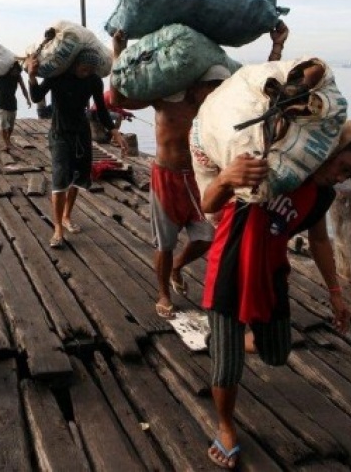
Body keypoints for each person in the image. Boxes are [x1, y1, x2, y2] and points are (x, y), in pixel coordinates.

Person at [201, 120, 351, 469]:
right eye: (344, 167)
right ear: (330, 147)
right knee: (227, 370)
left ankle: (227, 342)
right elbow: (209, 203)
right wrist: (226, 177)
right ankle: (225, 426)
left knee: (277, 353)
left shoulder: (323, 195)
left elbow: (319, 240)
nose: (342, 177)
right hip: (231, 267)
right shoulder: (273, 165)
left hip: (272, 274)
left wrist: (336, 294)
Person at [110, 22, 290, 320]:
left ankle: (179, 267)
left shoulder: (219, 109)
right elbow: (117, 99)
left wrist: (278, 46)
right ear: (197, 85)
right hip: (165, 176)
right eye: (211, 87)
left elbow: (264, 87)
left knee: (206, 237)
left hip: (200, 178)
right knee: (164, 244)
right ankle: (163, 293)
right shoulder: (165, 98)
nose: (215, 93)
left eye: (220, 87)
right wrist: (119, 53)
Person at [27, 50, 128, 249]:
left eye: (91, 69)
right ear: (74, 65)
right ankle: (57, 229)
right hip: (60, 133)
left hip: (82, 133)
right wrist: (31, 76)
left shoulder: (93, 81)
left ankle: (66, 216)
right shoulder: (57, 76)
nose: (87, 72)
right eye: (84, 68)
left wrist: (114, 130)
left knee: (76, 177)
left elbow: (100, 108)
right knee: (59, 179)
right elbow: (37, 95)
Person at [0, 53, 31, 150]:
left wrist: (27, 99)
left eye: (18, 72)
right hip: (1, 104)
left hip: (12, 104)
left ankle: (8, 140)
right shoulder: (2, 73)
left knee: (10, 127)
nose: (16, 73)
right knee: (3, 124)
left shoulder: (17, 76)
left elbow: (23, 87)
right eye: (15, 71)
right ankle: (6, 143)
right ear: (11, 69)